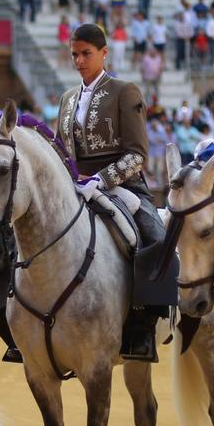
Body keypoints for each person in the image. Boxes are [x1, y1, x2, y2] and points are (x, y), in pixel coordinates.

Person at [54, 22, 174, 362]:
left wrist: (101, 180)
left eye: (86, 54)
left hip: (123, 187)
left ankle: (144, 327)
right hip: (76, 186)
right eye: (75, 54)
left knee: (156, 241)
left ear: (104, 53)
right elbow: (63, 151)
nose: (79, 61)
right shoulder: (67, 99)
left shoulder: (125, 91)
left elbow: (137, 155)